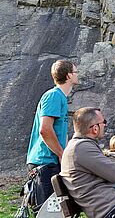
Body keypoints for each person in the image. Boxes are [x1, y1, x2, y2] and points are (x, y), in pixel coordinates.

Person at [25, 60, 78, 212]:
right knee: (46, 213)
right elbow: (45, 129)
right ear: (68, 75)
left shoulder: (61, 97)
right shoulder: (53, 96)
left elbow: (59, 132)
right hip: (45, 163)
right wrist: (61, 154)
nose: (77, 75)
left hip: (52, 162)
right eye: (75, 72)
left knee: (56, 212)